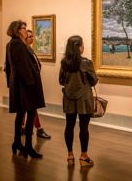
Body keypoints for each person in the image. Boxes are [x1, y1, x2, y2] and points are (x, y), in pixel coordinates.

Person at [5, 20, 45, 158]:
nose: (25, 30)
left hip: (22, 85)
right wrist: (31, 84)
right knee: (30, 113)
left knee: (22, 114)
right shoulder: (17, 44)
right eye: (23, 28)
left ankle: (17, 142)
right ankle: (27, 146)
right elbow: (22, 67)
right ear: (16, 30)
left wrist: (11, 84)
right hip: (26, 86)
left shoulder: (12, 44)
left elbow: (9, 68)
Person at [59, 35, 98, 166]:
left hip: (69, 97)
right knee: (84, 127)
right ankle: (84, 156)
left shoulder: (64, 62)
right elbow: (94, 81)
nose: (83, 47)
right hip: (84, 98)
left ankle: (70, 155)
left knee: (69, 126)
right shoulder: (86, 63)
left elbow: (61, 81)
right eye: (82, 45)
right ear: (77, 47)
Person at [20, 30, 51, 139]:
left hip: (33, 84)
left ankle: (26, 127)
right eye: (29, 36)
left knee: (29, 108)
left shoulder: (30, 50)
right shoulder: (24, 51)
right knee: (29, 108)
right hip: (28, 85)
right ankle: (38, 128)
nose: (32, 38)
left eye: (32, 36)